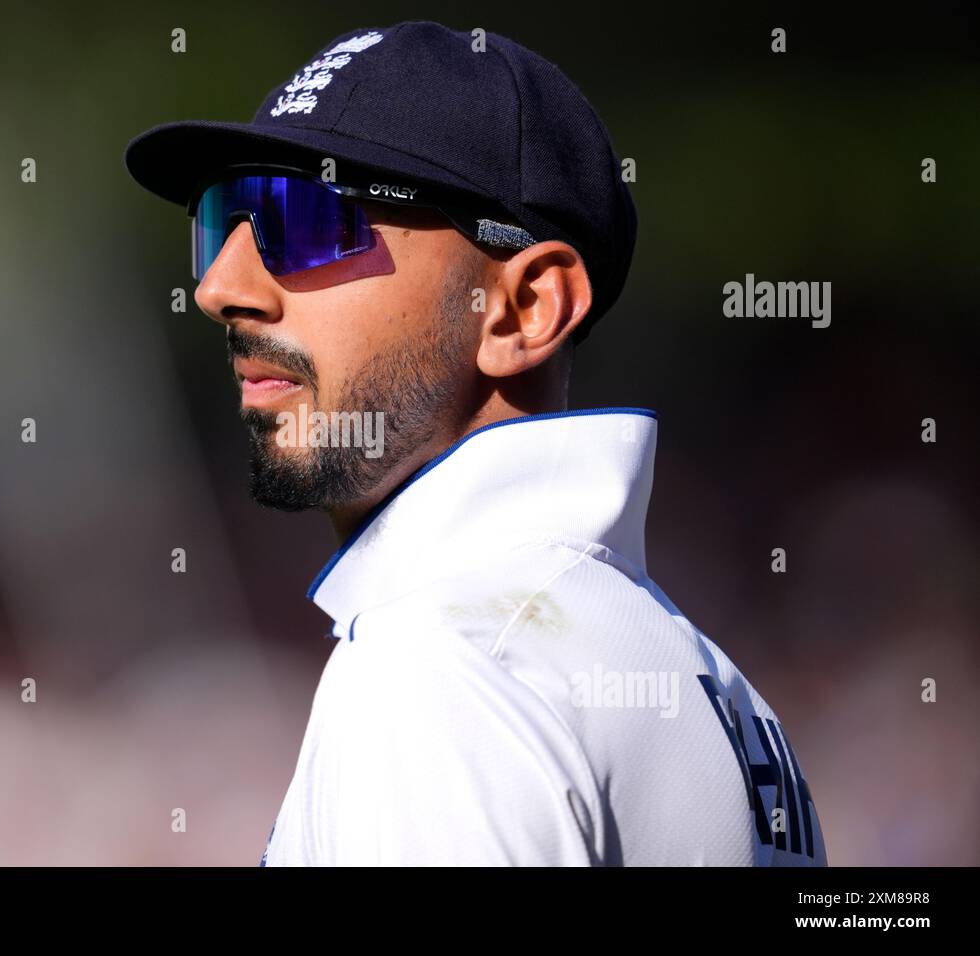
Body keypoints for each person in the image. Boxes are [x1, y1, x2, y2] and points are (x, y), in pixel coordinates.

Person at [125, 20, 827, 866]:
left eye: (302, 216)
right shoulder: (717, 686)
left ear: (526, 308)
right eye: (220, 220)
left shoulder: (439, 667)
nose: (219, 287)